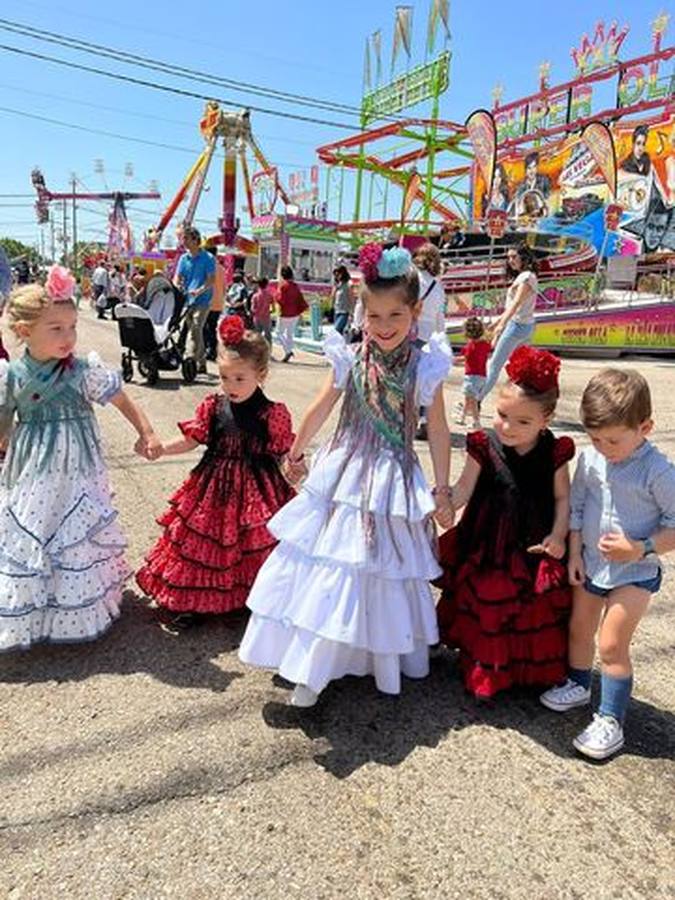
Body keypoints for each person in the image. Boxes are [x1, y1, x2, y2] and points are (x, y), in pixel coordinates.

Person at [239, 243, 453, 707]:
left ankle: (369, 656)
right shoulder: (350, 356)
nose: (384, 327)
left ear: (415, 311)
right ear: (362, 312)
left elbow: (437, 427)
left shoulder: (427, 363)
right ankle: (313, 667)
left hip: (393, 474)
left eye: (395, 315)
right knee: (333, 566)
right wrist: (294, 452)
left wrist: (442, 488)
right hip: (345, 468)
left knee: (377, 568)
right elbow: (321, 406)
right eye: (374, 316)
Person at [0, 265, 161, 652]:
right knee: (36, 531)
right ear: (24, 331)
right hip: (35, 471)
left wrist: (147, 431)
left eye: (72, 327)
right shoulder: (12, 376)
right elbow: (3, 424)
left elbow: (122, 398)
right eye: (56, 329)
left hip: (79, 472)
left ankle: (76, 609)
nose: (68, 337)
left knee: (76, 536)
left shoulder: (84, 371)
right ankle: (34, 610)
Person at [540, 370, 675, 760]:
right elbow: (578, 507)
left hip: (635, 572)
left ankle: (610, 720)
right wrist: (576, 552)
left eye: (613, 440)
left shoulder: (659, 472)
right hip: (593, 565)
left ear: (645, 427)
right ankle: (579, 684)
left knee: (613, 643)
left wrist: (641, 547)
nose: (603, 447)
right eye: (596, 438)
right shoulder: (592, 460)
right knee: (579, 629)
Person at [136, 315, 295, 632]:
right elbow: (191, 439)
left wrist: (297, 473)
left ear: (260, 375)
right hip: (212, 490)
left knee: (255, 545)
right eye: (224, 377)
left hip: (256, 493)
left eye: (239, 378)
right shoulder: (212, 405)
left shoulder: (273, 413)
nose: (230, 386)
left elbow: (284, 456)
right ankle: (191, 601)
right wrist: (161, 449)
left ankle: (257, 601)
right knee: (200, 546)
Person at [436, 346, 574, 698]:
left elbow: (563, 498)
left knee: (530, 608)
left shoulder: (555, 453)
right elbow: (465, 486)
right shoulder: (485, 444)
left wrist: (559, 535)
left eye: (523, 421)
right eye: (501, 415)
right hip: (486, 542)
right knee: (487, 601)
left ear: (547, 418)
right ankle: (486, 672)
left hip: (533, 542)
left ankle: (523, 672)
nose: (508, 427)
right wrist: (447, 504)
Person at [479, 243, 539, 401]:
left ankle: (475, 400)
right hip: (522, 326)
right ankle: (526, 401)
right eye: (509, 257)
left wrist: (500, 325)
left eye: (514, 257)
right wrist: (498, 322)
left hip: (516, 326)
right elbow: (514, 306)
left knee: (494, 365)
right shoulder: (525, 277)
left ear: (524, 257)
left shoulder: (527, 278)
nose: (511, 261)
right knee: (518, 367)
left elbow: (517, 303)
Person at [413, 242, 447, 440]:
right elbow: (440, 317)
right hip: (430, 337)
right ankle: (423, 421)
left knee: (407, 380)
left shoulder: (413, 279)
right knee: (426, 381)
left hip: (411, 333)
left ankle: (406, 418)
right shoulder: (438, 286)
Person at [174, 226, 216, 375]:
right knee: (195, 331)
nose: (183, 241)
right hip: (187, 300)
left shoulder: (208, 258)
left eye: (185, 238)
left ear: (195, 239)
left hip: (203, 300)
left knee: (196, 328)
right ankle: (202, 362)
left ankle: (190, 358)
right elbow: (178, 277)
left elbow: (211, 280)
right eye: (182, 238)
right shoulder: (183, 259)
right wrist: (177, 285)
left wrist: (199, 290)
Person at [457, 316, 491, 429]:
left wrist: (451, 360)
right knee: (468, 398)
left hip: (471, 377)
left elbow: (464, 359)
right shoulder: (485, 345)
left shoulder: (469, 347)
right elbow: (490, 348)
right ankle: (462, 417)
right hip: (482, 377)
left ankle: (476, 422)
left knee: (472, 401)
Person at [275, 265, 308, 363]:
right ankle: (288, 350)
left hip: (285, 313)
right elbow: (300, 298)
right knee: (290, 334)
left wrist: (276, 295)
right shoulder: (295, 286)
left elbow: (281, 300)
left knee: (279, 333)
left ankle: (288, 351)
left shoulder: (283, 286)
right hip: (295, 313)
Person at [204, 249, 224, 361]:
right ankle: (213, 350)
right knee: (212, 327)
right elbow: (224, 288)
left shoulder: (206, 267)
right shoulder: (221, 268)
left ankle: (208, 349)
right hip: (218, 303)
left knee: (204, 328)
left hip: (206, 303)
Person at [250, 277, 274, 346]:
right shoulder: (269, 295)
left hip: (257, 317)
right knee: (268, 335)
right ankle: (269, 350)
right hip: (266, 317)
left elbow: (252, 309)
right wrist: (269, 311)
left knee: (257, 335)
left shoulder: (255, 296)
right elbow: (273, 309)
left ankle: (258, 351)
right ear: (266, 284)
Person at [331, 265, 353, 335]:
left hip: (344, 312)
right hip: (336, 310)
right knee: (339, 332)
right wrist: (335, 287)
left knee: (336, 329)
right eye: (335, 274)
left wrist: (352, 312)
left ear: (342, 273)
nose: (336, 276)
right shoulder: (337, 285)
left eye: (338, 274)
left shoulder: (348, 284)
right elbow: (332, 296)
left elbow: (351, 298)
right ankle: (339, 345)